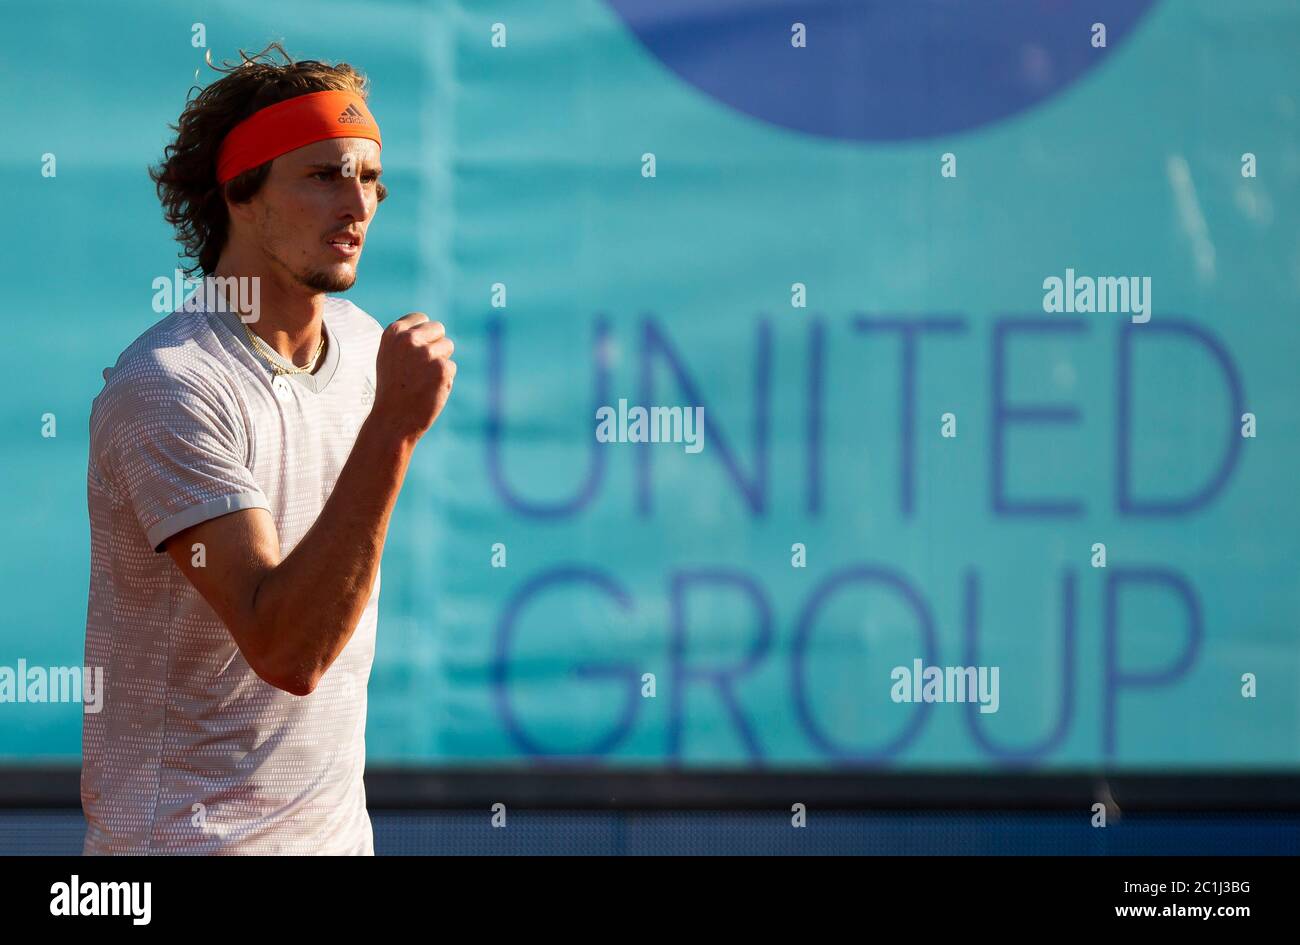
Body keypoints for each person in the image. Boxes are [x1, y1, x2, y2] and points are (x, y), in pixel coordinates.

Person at [81, 43, 455, 854]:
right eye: (323, 176)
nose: (357, 205)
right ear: (241, 194)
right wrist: (392, 428)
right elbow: (287, 650)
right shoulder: (170, 386)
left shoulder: (366, 350)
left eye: (369, 178)